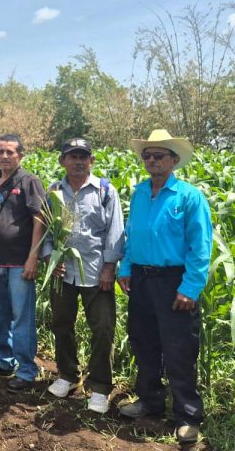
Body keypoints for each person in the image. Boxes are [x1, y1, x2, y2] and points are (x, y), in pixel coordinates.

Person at [117, 129, 212, 444]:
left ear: (173, 160)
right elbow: (133, 235)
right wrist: (127, 268)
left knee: (179, 349)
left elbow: (200, 247)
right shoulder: (140, 192)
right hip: (142, 280)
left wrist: (190, 287)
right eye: (148, 155)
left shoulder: (188, 196)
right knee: (144, 342)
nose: (152, 160)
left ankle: (187, 416)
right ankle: (150, 402)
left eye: (159, 155)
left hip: (175, 281)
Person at [41, 138, 125, 414]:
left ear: (92, 160)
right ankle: (68, 375)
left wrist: (109, 267)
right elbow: (46, 229)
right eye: (72, 156)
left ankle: (100, 386)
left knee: (102, 329)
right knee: (61, 323)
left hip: (96, 272)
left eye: (83, 156)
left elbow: (115, 231)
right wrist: (51, 257)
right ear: (62, 161)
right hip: (63, 273)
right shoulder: (54, 191)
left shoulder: (104, 190)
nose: (78, 161)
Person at [0, 134, 46, 394]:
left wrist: (33, 256)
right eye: (0, 151)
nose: (5, 156)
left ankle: (26, 370)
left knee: (22, 317)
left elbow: (40, 218)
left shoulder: (29, 182)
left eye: (10, 152)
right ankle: (2, 359)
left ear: (21, 155)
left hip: (20, 262)